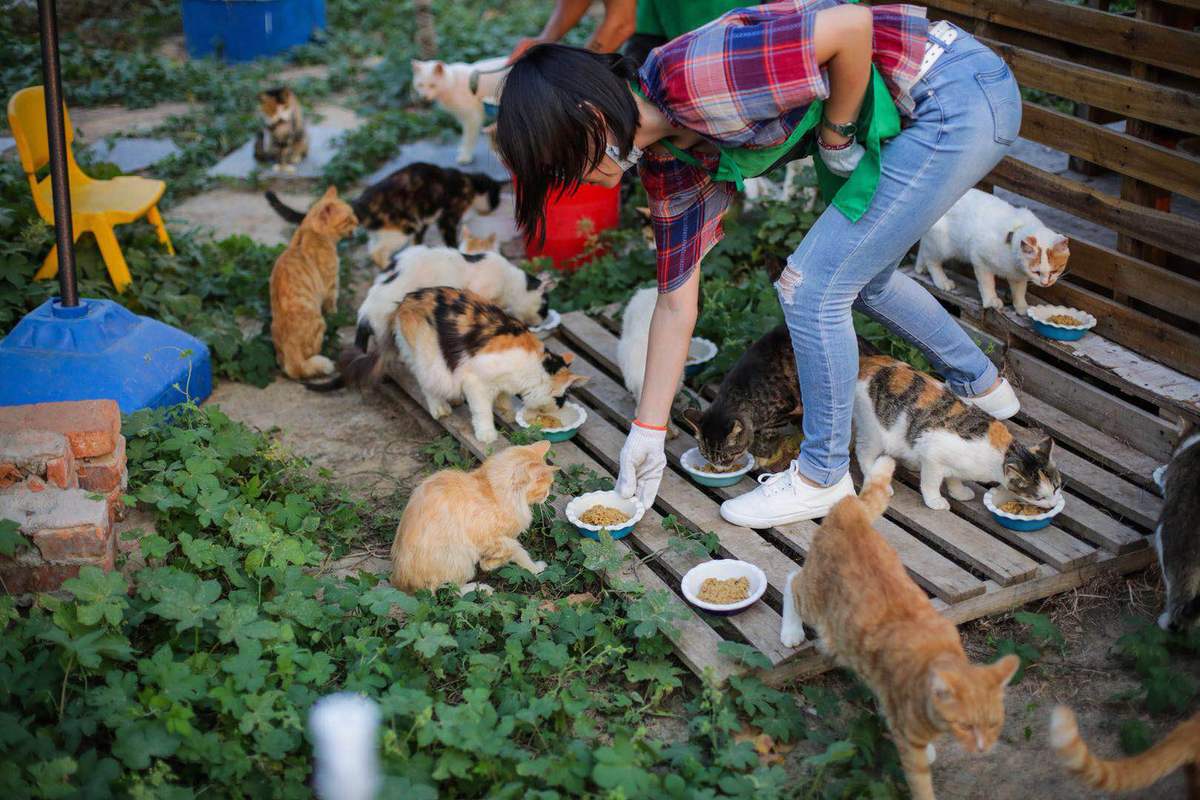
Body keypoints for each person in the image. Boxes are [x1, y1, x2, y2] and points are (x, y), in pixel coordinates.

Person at [495, 1, 1024, 527]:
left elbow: (851, 26)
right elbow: (676, 302)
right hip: (942, 104)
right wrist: (647, 432)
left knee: (809, 286)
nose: (570, 183)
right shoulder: (669, 162)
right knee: (865, 279)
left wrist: (836, 136)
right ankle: (983, 385)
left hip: (952, 95)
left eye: (559, 167)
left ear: (589, 120)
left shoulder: (695, 76)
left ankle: (822, 478)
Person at [509, 0, 747, 65]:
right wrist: (546, 38)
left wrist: (570, 74)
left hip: (714, 21)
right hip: (655, 17)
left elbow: (621, 23)